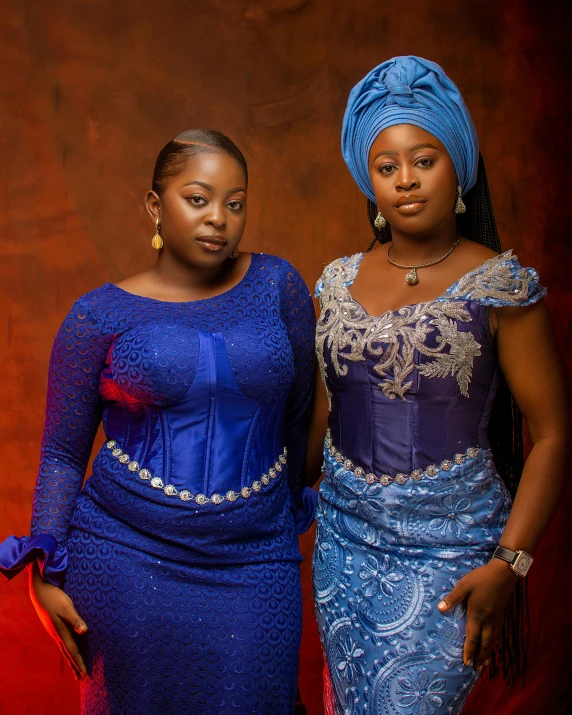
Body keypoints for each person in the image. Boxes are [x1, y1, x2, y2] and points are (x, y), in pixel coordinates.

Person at [0, 129, 317, 714]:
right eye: (197, 199)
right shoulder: (98, 315)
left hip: (255, 558)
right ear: (155, 207)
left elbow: (301, 412)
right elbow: (64, 454)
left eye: (235, 202)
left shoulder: (279, 286)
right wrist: (42, 571)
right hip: (126, 559)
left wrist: (277, 507)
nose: (218, 218)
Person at [311, 56, 568, 714]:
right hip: (341, 548)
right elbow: (319, 418)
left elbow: (553, 434)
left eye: (423, 159)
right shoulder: (336, 280)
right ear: (368, 179)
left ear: (457, 166)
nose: (405, 180)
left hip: (450, 556)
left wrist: (511, 563)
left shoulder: (499, 284)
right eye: (386, 165)